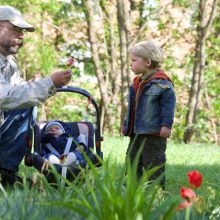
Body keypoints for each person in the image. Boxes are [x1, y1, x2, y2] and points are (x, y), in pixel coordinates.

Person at [0, 5, 72, 186]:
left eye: (23, 31)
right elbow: (7, 97)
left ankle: (5, 174)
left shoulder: (9, 62)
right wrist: (48, 83)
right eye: (16, 29)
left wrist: (51, 85)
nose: (22, 36)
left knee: (26, 106)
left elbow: (21, 93)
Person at [122, 40, 176, 189]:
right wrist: (126, 124)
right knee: (132, 161)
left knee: (153, 163)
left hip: (153, 134)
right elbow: (133, 108)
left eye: (133, 60)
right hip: (136, 133)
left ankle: (156, 193)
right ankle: (131, 191)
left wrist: (166, 125)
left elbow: (168, 106)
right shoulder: (137, 83)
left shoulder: (162, 84)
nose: (130, 63)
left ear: (147, 62)